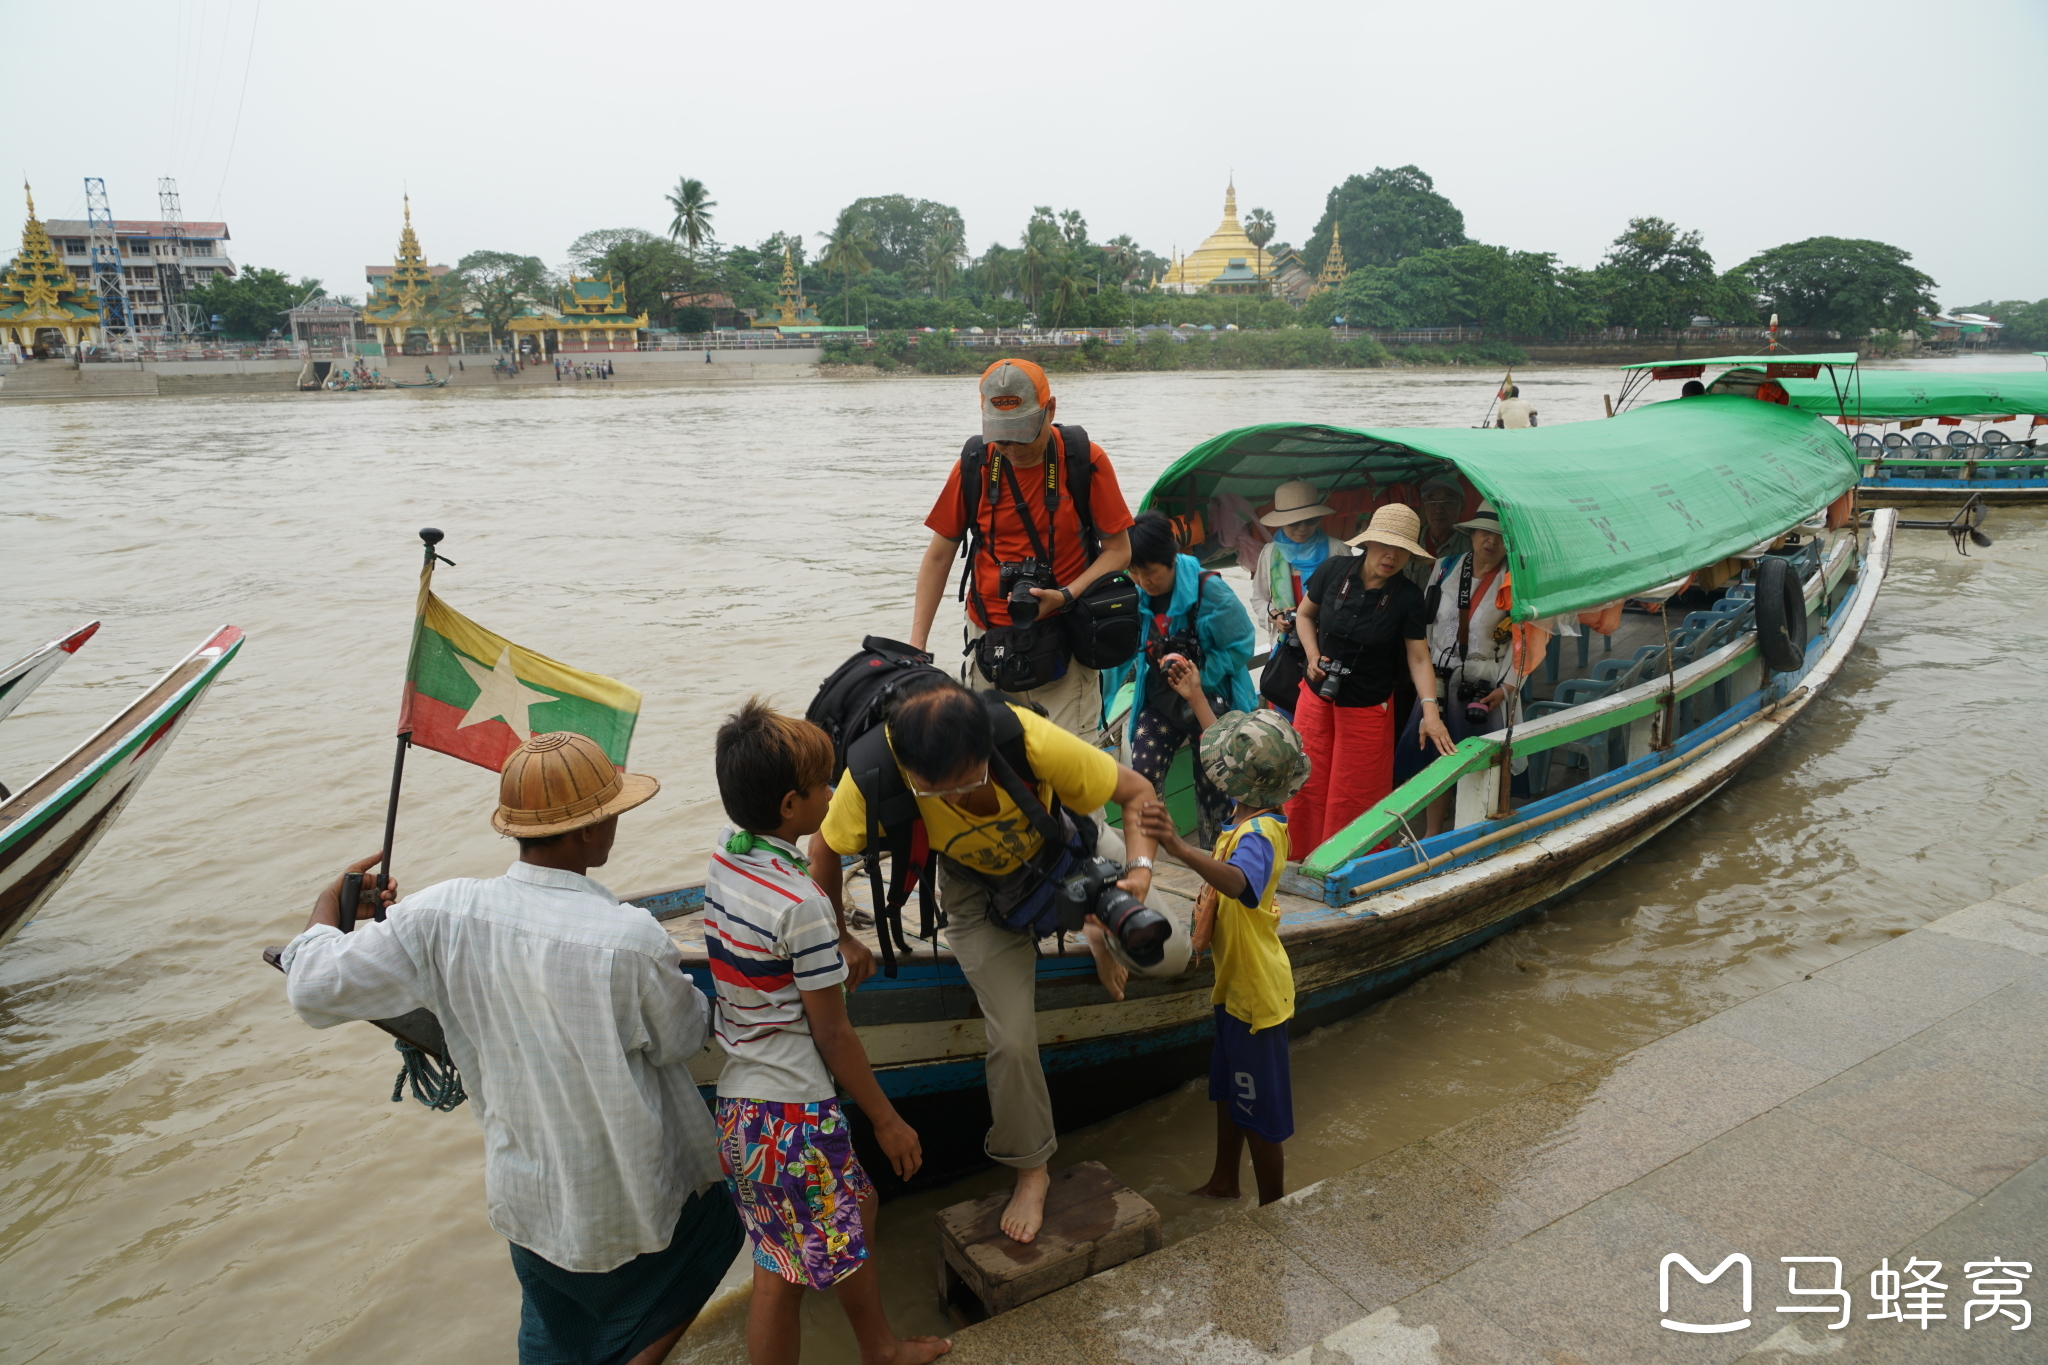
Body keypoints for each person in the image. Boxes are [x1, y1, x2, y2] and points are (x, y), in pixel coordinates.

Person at [283, 733, 740, 1365]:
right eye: (608, 814)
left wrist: (330, 902)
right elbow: (684, 1037)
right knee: (716, 1229)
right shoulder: (629, 940)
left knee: (555, 1331)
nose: (615, 824)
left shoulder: (442, 913)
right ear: (584, 832)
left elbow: (311, 987)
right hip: (632, 1199)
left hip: (529, 1198)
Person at [809, 682, 1189, 1245]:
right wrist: (840, 935)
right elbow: (823, 849)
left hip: (1064, 853)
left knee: (1172, 955)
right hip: (976, 892)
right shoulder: (874, 775)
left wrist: (1138, 871)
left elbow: (1137, 794)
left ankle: (1095, 928)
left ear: (987, 749)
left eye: (970, 780)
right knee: (1011, 1040)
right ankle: (1031, 1169)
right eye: (939, 792)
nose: (959, 799)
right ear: (908, 770)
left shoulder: (1028, 738)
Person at [705, 701, 950, 1365]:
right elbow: (834, 1033)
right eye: (823, 786)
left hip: (741, 1109)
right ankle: (881, 1349)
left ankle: (879, 1345)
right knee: (781, 1277)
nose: (834, 793)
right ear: (791, 804)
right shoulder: (803, 905)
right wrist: (887, 1119)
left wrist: (830, 963)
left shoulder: (728, 861)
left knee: (850, 1206)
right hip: (793, 1115)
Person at [909, 358, 1135, 741]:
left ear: (1050, 410)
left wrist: (1065, 596)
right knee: (993, 773)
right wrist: (916, 646)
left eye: (1023, 433)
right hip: (988, 640)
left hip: (1064, 638)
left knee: (1074, 781)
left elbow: (1119, 551)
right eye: (1001, 436)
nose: (1012, 448)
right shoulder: (975, 465)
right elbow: (938, 556)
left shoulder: (1084, 460)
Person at [1134, 709, 1307, 1206]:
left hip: (1257, 999)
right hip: (1234, 990)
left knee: (1262, 1117)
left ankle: (1273, 1208)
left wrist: (1180, 851)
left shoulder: (1260, 836)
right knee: (1230, 1094)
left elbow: (1241, 885)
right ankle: (1224, 1181)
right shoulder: (1244, 819)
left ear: (1239, 786)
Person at [1289, 504, 1456, 854]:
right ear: (1368, 543)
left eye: (1401, 550)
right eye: (1384, 545)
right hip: (1317, 696)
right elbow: (1304, 615)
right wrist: (1313, 655)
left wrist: (1431, 712)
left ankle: (1346, 863)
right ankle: (1296, 853)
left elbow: (1418, 656)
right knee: (1306, 780)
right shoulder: (1333, 570)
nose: (1391, 556)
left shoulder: (1409, 597)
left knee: (1356, 791)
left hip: (1368, 704)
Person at [1114, 511, 1256, 845]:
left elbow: (1241, 646)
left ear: (1172, 560)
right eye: (1133, 572)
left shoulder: (1211, 593)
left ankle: (1212, 854)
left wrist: (1199, 676)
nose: (1142, 581)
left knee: (1213, 786)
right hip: (1160, 699)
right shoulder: (1137, 594)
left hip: (1209, 698)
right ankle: (1155, 846)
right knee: (1143, 773)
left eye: (1149, 573)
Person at [1395, 502, 1523, 836]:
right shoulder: (1445, 566)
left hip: (1485, 685)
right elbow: (1423, 625)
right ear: (1470, 534)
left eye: (1499, 537)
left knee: (1479, 765)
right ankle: (1432, 832)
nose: (1490, 543)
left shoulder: (1516, 581)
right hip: (1436, 680)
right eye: (1484, 533)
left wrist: (1508, 687)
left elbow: (1530, 642)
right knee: (1431, 761)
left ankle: (1473, 831)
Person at [1250, 480, 1353, 649]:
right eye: (1294, 522)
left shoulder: (1337, 550)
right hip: (1284, 645)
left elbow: (1352, 601)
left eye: (1311, 520)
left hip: (1327, 645)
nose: (1303, 528)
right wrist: (1276, 617)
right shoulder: (1269, 553)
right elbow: (1259, 598)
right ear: (1281, 521)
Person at [1404, 476, 1472, 589]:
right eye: (1431, 502)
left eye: (1447, 502)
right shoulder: (1410, 540)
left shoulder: (1472, 546)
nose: (1439, 509)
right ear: (1424, 507)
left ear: (1462, 507)